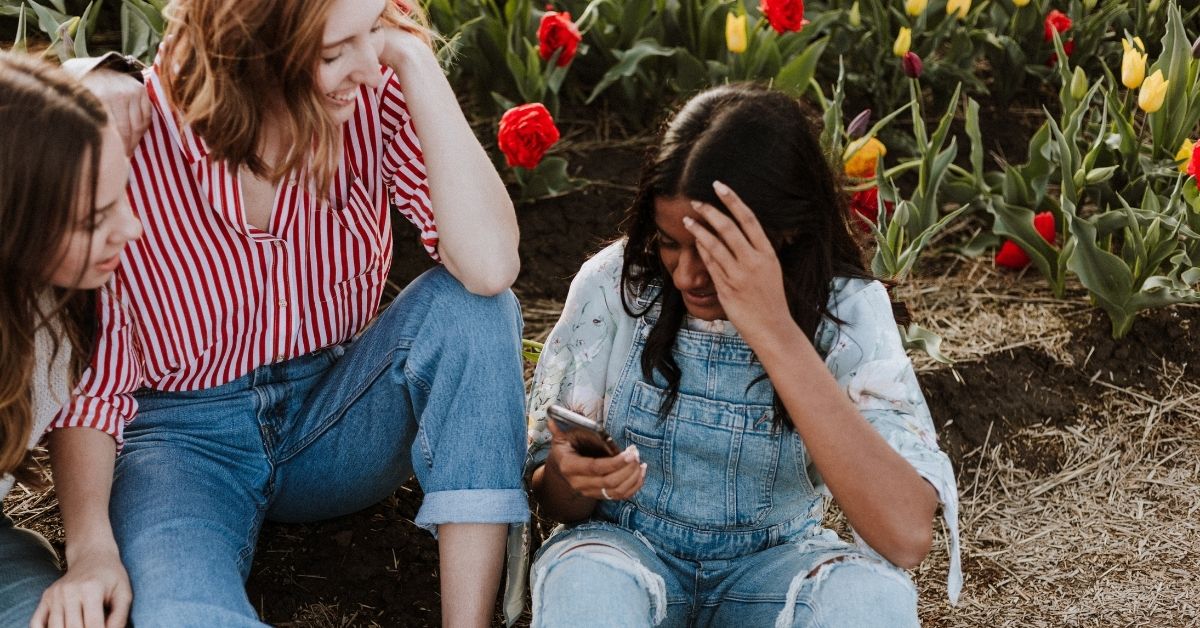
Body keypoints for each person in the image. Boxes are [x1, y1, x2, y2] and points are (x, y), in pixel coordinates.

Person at [60, 0, 527, 625]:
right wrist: (90, 549)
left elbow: (491, 266)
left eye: (374, 33)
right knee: (182, 616)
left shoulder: (370, 97)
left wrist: (414, 57)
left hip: (335, 415)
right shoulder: (136, 134)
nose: (368, 63)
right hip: (182, 446)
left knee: (474, 309)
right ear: (254, 54)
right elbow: (95, 380)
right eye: (336, 51)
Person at [525, 84, 961, 627]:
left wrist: (774, 328)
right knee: (584, 585)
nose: (685, 275)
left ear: (786, 230)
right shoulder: (618, 285)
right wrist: (571, 476)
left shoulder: (845, 310)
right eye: (668, 243)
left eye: (713, 250)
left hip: (775, 569)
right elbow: (556, 498)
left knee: (870, 602)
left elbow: (906, 536)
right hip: (626, 556)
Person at [0, 51, 143, 628]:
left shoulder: (58, 305)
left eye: (123, 195)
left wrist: (108, 72)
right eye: (92, 220)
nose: (131, 230)